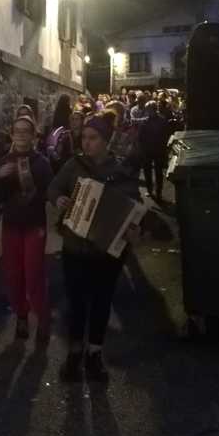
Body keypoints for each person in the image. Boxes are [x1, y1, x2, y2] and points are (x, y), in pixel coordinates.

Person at [48, 111, 140, 384]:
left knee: (101, 302)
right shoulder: (73, 165)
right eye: (84, 137)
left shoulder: (120, 171)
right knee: (76, 303)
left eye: (93, 138)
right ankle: (75, 353)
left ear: (106, 140)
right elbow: (53, 188)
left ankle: (94, 354)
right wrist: (59, 199)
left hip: (107, 253)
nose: (86, 142)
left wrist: (135, 228)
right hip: (75, 248)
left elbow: (134, 207)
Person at [0, 116, 53, 343]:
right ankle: (21, 314)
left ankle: (43, 318)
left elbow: (50, 192)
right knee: (13, 273)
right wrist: (0, 178)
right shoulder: (4, 161)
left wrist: (39, 193)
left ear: (33, 136)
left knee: (34, 273)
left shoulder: (41, 162)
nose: (20, 135)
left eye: (25, 131)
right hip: (11, 225)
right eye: (17, 131)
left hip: (34, 225)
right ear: (11, 135)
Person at [137, 101, 170, 201]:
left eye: (148, 109)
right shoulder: (161, 120)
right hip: (154, 149)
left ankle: (154, 191)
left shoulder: (146, 121)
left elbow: (140, 137)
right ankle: (155, 191)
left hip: (151, 149)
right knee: (154, 171)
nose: (147, 111)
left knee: (153, 171)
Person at [46, 94, 72, 172]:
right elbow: (68, 121)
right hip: (64, 129)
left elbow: (55, 120)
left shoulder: (58, 109)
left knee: (55, 146)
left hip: (56, 129)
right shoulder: (68, 109)